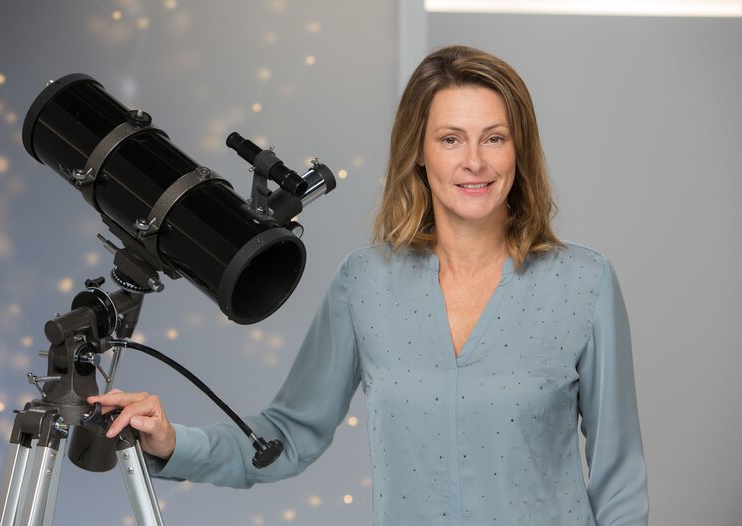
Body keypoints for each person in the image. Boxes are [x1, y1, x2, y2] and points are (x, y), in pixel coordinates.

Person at [89, 45, 649, 525]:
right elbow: (289, 435)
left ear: (519, 149)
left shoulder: (585, 283)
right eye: (451, 139)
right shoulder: (365, 283)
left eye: (495, 138)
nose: (474, 162)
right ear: (419, 152)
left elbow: (619, 481)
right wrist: (171, 442)